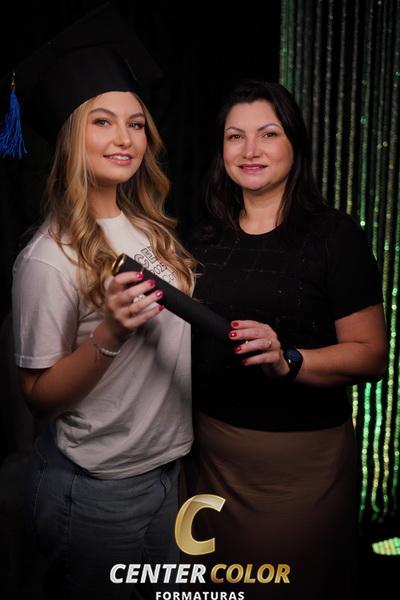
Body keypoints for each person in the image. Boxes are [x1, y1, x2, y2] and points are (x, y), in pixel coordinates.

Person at [9, 5, 196, 599]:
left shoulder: (152, 231)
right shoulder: (48, 257)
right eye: (103, 122)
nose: (125, 138)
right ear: (71, 137)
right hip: (97, 489)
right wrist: (110, 332)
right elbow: (37, 397)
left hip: (168, 470)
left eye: (136, 124)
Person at [182, 80, 387, 599]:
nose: (250, 150)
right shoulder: (202, 237)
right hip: (209, 464)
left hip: (299, 474)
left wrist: (289, 359)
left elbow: (371, 356)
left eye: (268, 134)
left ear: (295, 144)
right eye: (235, 136)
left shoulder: (336, 236)